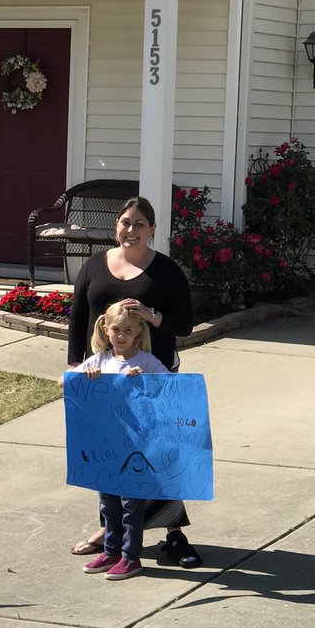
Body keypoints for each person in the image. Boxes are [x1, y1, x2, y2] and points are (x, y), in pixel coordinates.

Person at [66, 195, 203, 568]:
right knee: (108, 456)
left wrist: (150, 314)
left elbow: (185, 325)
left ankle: (172, 534)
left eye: (139, 224)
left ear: (152, 229)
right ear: (116, 226)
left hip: (151, 376)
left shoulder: (166, 271)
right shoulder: (95, 265)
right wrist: (77, 367)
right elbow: (78, 318)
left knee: (154, 457)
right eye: (125, 222)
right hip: (104, 378)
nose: (131, 230)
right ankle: (110, 534)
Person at [69, 303, 168, 581]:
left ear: (138, 332)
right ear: (105, 329)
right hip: (106, 445)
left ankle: (131, 557)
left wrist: (145, 380)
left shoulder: (147, 362)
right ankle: (111, 551)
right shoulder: (99, 361)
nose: (121, 335)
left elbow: (171, 388)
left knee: (132, 504)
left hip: (137, 447)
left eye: (128, 330)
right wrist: (85, 378)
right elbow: (64, 384)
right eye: (116, 330)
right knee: (108, 503)